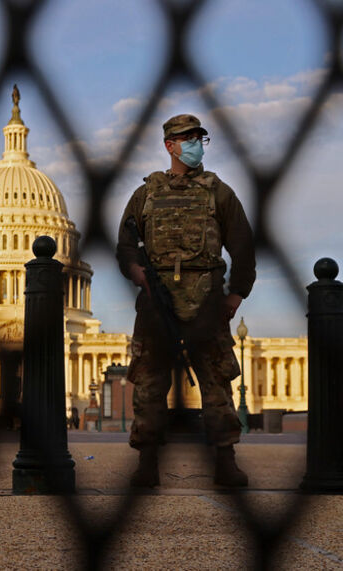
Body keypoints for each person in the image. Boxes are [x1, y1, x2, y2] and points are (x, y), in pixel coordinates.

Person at [116, 114, 256, 488]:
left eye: (199, 138)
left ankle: (225, 461)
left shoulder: (219, 192)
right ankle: (147, 463)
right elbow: (125, 247)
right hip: (156, 303)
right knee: (149, 386)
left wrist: (236, 294)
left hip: (206, 301)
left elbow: (243, 246)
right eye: (187, 138)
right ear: (170, 145)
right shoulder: (145, 195)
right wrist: (138, 273)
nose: (195, 144)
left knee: (217, 385)